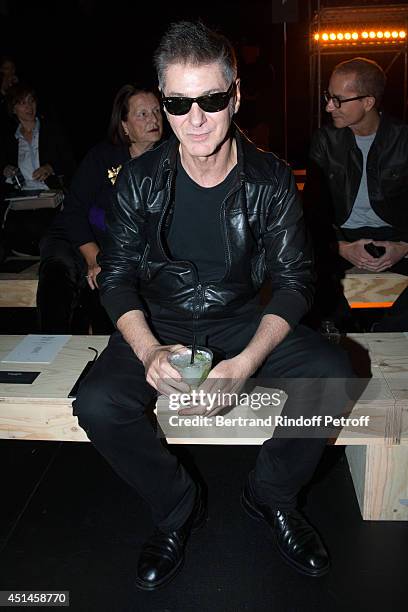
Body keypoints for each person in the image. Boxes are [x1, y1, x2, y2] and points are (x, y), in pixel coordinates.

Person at [73, 21, 354, 590]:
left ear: (236, 96)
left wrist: (246, 361)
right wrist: (148, 349)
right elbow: (117, 277)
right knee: (99, 402)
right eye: (177, 102)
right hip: (162, 321)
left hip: (241, 319)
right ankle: (177, 509)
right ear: (164, 101)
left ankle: (270, 497)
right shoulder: (137, 179)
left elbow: (296, 282)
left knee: (332, 373)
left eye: (211, 99)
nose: (195, 118)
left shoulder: (272, 179)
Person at [36, 84, 163, 333]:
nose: (154, 119)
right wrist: (94, 258)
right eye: (143, 114)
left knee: (111, 290)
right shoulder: (103, 156)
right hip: (77, 236)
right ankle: (49, 353)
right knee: (59, 276)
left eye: (157, 111)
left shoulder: (169, 159)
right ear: (124, 125)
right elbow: (74, 210)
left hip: (117, 245)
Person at [304, 57, 408, 332]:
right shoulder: (325, 141)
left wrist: (404, 247)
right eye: (329, 97)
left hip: (396, 237)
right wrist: (339, 247)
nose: (329, 106)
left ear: (368, 102)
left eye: (338, 100)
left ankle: (381, 333)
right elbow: (312, 212)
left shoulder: (403, 139)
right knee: (305, 280)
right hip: (339, 238)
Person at [0, 82, 75, 256]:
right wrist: (6, 171)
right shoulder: (8, 139)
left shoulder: (52, 130)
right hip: (21, 198)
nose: (29, 107)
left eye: (31, 101)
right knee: (14, 229)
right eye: (22, 103)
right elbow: (3, 168)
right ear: (13, 109)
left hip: (49, 195)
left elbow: (71, 163)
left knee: (42, 228)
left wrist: (51, 167)